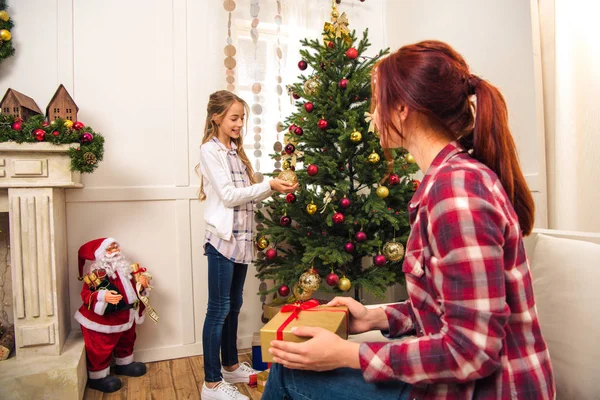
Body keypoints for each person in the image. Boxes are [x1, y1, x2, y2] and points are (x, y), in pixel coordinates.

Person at [262, 41, 555, 400]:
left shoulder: (456, 192)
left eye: (375, 101)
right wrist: (374, 317)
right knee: (291, 367)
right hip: (461, 385)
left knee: (290, 375)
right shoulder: (449, 180)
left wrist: (349, 354)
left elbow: (472, 351)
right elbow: (447, 310)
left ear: (401, 108)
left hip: (488, 391)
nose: (371, 114)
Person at [197, 90, 298, 400]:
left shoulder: (236, 153)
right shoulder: (210, 151)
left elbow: (248, 194)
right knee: (218, 310)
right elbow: (228, 196)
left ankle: (229, 366)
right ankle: (211, 383)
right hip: (222, 241)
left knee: (234, 306)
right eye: (234, 118)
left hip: (241, 242)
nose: (239, 123)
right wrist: (266, 184)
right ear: (217, 118)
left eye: (242, 118)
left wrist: (273, 188)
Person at [74, 238, 151, 393]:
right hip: (103, 321)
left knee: (127, 340)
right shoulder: (96, 274)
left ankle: (125, 363)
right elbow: (86, 295)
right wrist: (104, 296)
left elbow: (135, 288)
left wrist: (142, 285)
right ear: (101, 254)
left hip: (125, 316)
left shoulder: (125, 269)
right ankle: (98, 376)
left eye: (116, 247)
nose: (115, 251)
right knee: (101, 346)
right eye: (110, 249)